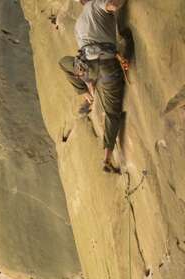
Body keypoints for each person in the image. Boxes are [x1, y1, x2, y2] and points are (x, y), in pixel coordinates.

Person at [59, 0, 127, 174]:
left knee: (64, 63)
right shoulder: (96, 4)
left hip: (87, 68)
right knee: (113, 113)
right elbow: (112, 5)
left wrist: (88, 86)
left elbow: (85, 51)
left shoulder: (79, 24)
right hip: (107, 67)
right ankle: (107, 158)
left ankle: (86, 94)